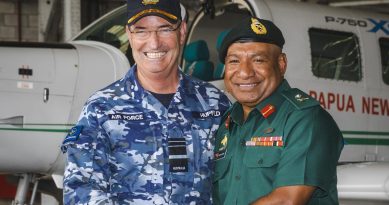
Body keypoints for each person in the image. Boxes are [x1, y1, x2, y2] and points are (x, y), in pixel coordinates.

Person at [61, 0, 231, 204]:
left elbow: (235, 180)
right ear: (129, 35)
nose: (154, 42)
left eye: (165, 29)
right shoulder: (101, 108)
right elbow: (81, 190)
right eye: (141, 30)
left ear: (182, 31)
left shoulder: (214, 104)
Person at [212, 16, 344, 205]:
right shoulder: (227, 123)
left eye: (258, 60)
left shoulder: (306, 119)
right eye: (234, 61)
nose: (245, 72)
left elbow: (286, 201)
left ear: (281, 64)